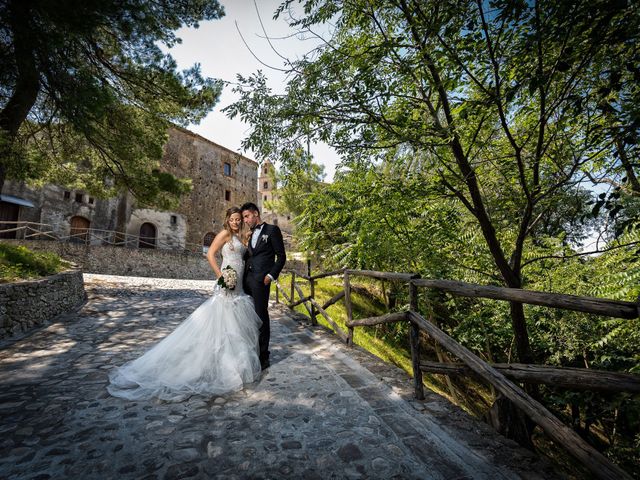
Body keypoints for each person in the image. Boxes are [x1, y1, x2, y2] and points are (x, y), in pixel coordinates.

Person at [107, 207, 262, 401]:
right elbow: (210, 254)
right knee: (223, 319)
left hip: (238, 285)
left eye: (238, 219)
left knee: (235, 324)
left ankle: (234, 366)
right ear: (227, 220)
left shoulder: (241, 236)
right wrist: (221, 276)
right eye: (233, 219)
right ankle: (217, 365)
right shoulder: (224, 234)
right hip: (227, 280)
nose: (236, 222)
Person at [240, 202, 286, 370]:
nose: (245, 220)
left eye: (247, 216)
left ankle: (264, 356)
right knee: (248, 317)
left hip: (261, 281)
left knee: (261, 317)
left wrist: (270, 276)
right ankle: (251, 351)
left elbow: (281, 257)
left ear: (256, 214)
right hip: (246, 281)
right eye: (244, 217)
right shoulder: (249, 234)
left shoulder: (272, 231)